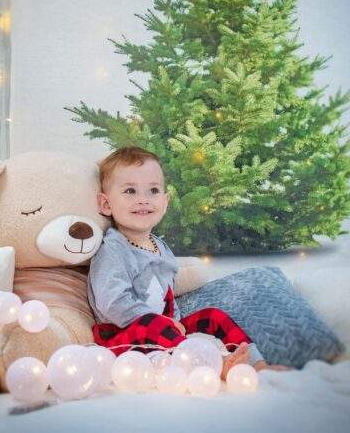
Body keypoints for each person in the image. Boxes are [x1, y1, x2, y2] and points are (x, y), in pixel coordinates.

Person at [88, 146, 291, 380]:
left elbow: (168, 296)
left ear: (165, 202)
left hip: (166, 331)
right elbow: (113, 303)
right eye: (130, 191)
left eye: (153, 190)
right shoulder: (113, 250)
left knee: (213, 316)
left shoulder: (161, 247)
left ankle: (256, 362)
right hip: (124, 334)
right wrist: (164, 324)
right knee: (152, 324)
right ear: (106, 204)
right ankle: (215, 365)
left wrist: (176, 324)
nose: (143, 199)